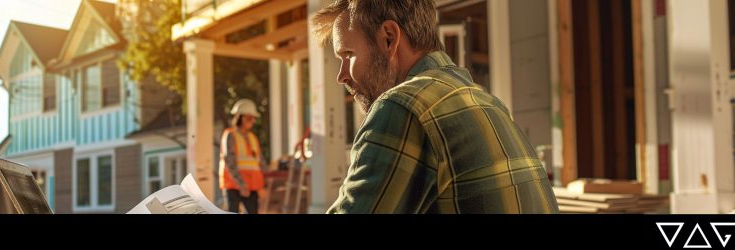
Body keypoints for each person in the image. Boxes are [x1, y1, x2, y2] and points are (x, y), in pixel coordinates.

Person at [311, 0, 559, 213]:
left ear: (389, 38)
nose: (341, 76)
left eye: (348, 54)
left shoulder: (403, 107)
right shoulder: (487, 103)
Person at [219, 99, 266, 214]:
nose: (253, 121)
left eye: (254, 118)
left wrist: (265, 184)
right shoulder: (230, 135)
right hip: (234, 185)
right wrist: (241, 184)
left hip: (252, 186)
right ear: (240, 117)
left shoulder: (253, 137)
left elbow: (259, 162)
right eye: (249, 117)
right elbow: (229, 162)